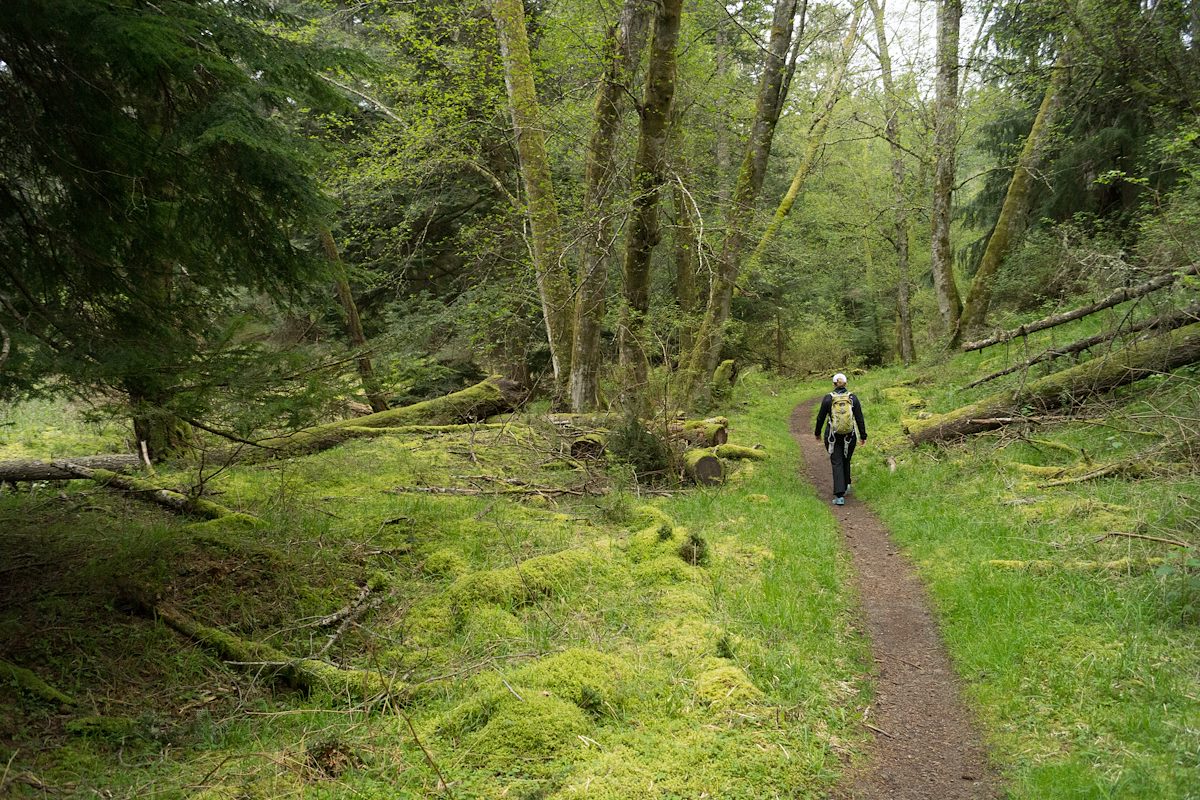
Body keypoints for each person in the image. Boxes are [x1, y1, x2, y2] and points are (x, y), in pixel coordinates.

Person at [813, 372, 866, 505]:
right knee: (846, 459)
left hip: (832, 436)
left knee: (837, 461)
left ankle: (839, 496)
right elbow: (859, 418)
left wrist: (817, 433)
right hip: (850, 435)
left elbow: (820, 418)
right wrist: (863, 436)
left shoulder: (828, 399)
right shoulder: (853, 398)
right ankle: (847, 485)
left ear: (834, 384)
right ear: (846, 383)